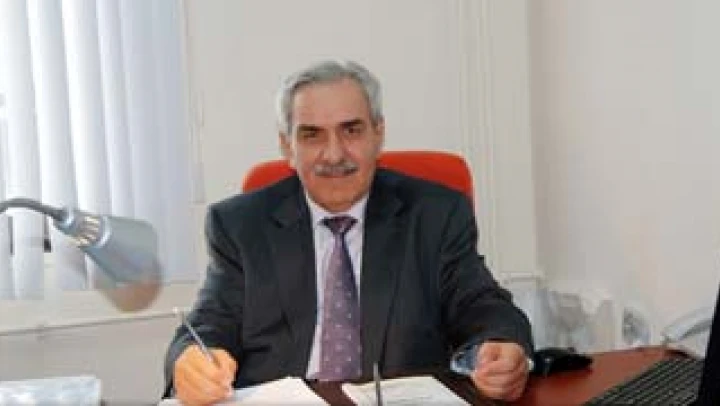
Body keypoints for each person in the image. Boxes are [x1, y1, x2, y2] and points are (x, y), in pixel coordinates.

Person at [164, 59, 534, 405]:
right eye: (312, 135)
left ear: (378, 134)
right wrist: (191, 362)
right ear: (287, 146)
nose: (334, 154)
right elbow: (210, 324)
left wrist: (501, 346)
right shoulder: (240, 225)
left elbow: (481, 305)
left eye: (351, 130)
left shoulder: (435, 215)